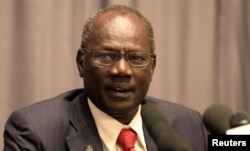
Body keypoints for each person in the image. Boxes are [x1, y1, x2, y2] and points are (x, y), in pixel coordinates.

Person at [3, 5, 207, 151]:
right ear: (82, 63)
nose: (122, 70)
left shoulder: (188, 125)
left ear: (152, 67)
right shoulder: (35, 130)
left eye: (136, 58)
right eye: (106, 56)